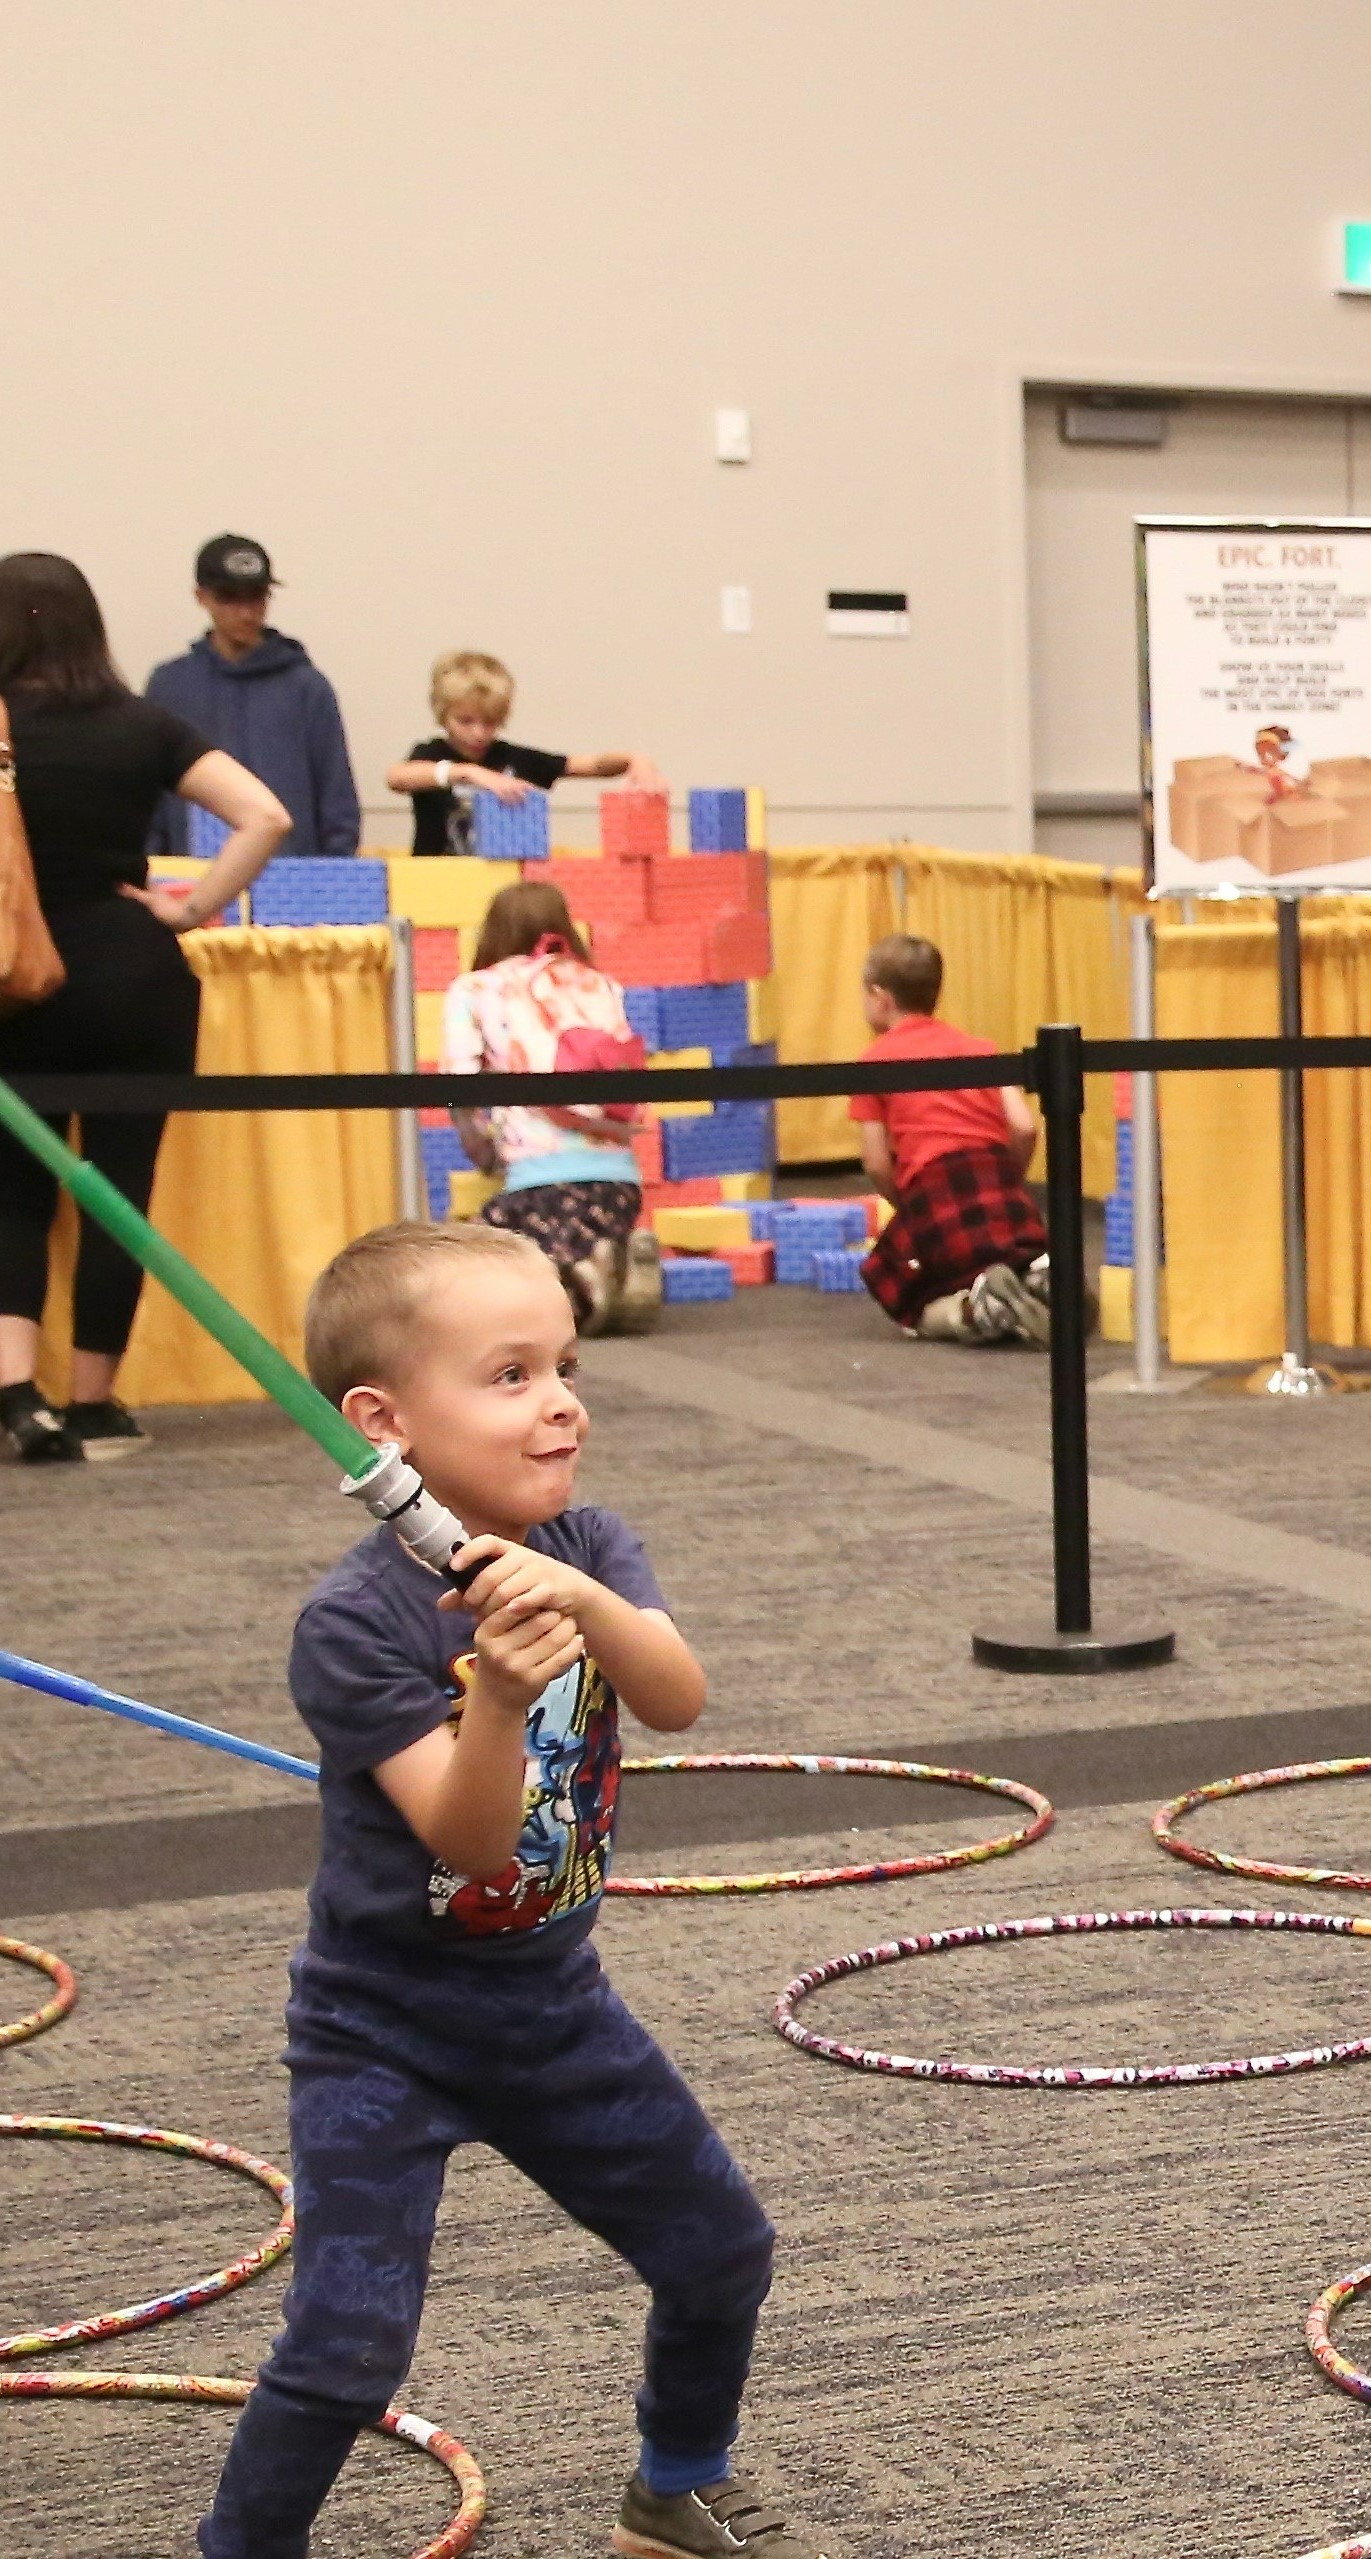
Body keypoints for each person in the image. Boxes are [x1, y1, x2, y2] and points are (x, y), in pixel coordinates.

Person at [200, 1221, 839, 2558]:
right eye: (508, 1372)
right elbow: (473, 1839)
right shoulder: (356, 1622)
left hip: (553, 2007)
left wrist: (582, 1599)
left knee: (721, 2244)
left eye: (563, 1360)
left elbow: (675, 1692)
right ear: (382, 1423)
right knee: (348, 2341)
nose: (560, 1398)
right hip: (384, 2024)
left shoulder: (590, 1539)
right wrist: (497, 1691)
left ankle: (674, 2486)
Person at [0, 552, 292, 1464]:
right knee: (119, 1191)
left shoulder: (3, 729)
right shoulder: (144, 723)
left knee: (13, 1192)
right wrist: (191, 907)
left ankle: (15, 1397)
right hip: (136, 977)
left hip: (19, 982)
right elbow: (267, 815)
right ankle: (94, 1404)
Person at [441, 880, 663, 1335]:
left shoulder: (475, 989)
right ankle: (608, 1260)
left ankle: (580, 1277)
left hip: (537, 1183)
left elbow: (459, 1079)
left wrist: (477, 1143)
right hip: (618, 1180)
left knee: (485, 1261)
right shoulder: (599, 983)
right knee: (562, 1249)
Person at [848, 932, 1050, 1345]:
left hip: (931, 1186)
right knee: (1012, 1249)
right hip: (996, 1177)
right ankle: (1040, 1280)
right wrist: (1007, 1179)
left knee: (907, 1296)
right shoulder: (980, 1048)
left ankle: (974, 1311)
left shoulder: (872, 1062)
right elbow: (1025, 1127)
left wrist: (909, 1206)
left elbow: (875, 1163)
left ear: (880, 996)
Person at [144, 534, 361, 860]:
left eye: (257, 596)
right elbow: (150, 797)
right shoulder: (170, 686)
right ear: (201, 597)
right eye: (229, 598)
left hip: (290, 884)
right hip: (192, 879)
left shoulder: (306, 687)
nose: (246, 613)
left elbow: (336, 802)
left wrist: (329, 882)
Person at [387, 650, 664, 856]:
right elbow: (397, 777)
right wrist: (467, 773)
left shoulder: (513, 759)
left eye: (490, 723)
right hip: (435, 883)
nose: (479, 733)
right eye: (466, 721)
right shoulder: (431, 754)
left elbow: (591, 764)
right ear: (443, 715)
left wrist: (634, 760)